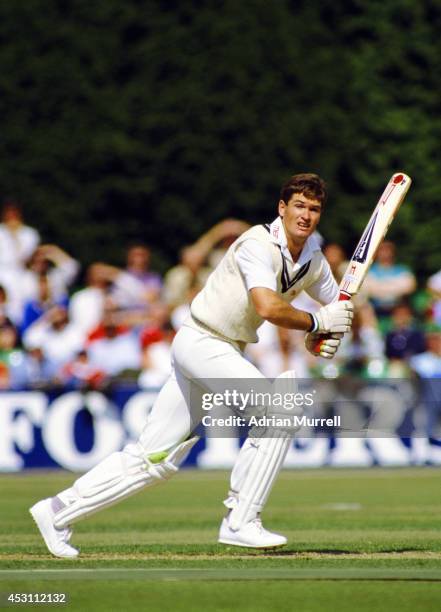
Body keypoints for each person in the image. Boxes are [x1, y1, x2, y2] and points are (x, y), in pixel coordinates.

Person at [29, 173, 354, 558]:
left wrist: (327, 333)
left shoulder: (314, 261)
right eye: (299, 206)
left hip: (225, 348)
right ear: (282, 208)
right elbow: (269, 306)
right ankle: (241, 520)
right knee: (279, 408)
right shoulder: (256, 243)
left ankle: (56, 511)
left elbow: (337, 311)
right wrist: (317, 324)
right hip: (202, 340)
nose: (306, 215)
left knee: (153, 459)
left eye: (314, 209)